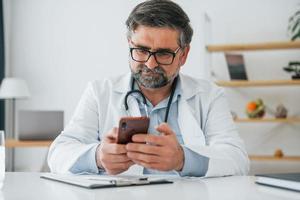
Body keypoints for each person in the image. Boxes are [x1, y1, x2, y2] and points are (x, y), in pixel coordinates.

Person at [48, 0, 249, 177]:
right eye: (142, 50)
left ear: (183, 55)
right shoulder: (99, 92)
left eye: (163, 54)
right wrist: (99, 156)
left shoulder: (209, 96)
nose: (150, 64)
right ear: (129, 45)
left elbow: (237, 159)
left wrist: (182, 159)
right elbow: (58, 153)